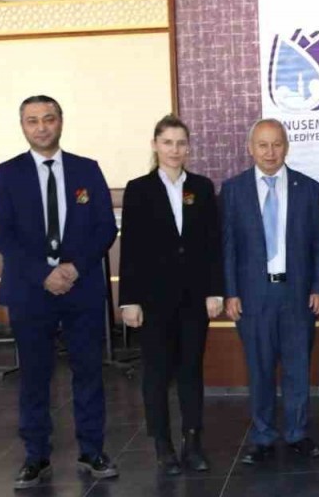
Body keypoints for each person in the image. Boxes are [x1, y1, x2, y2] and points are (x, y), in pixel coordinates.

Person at [0, 96, 119, 489]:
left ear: (60, 122)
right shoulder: (7, 173)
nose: (41, 127)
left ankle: (92, 450)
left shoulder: (86, 169)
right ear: (23, 126)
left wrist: (74, 268)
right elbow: (3, 235)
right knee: (34, 376)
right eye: (33, 121)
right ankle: (36, 457)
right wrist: (42, 274)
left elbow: (105, 227)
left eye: (48, 118)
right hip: (30, 291)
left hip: (81, 288)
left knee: (88, 373)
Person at [119, 115, 223, 475]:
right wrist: (129, 299)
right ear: (155, 145)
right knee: (157, 373)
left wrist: (215, 291)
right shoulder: (138, 189)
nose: (174, 150)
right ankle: (162, 445)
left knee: (191, 371)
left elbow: (212, 244)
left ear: (189, 147)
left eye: (181, 143)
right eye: (167, 143)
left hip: (194, 299)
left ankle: (192, 442)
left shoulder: (202, 187)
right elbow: (130, 249)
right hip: (153, 301)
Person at [222, 118, 319, 465]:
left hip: (297, 293)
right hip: (253, 296)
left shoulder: (308, 188)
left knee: (298, 367)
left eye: (277, 144)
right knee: (260, 369)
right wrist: (231, 292)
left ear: (287, 146)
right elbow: (228, 247)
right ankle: (263, 436)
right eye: (263, 145)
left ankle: (298, 433)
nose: (270, 152)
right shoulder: (233, 189)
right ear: (250, 148)